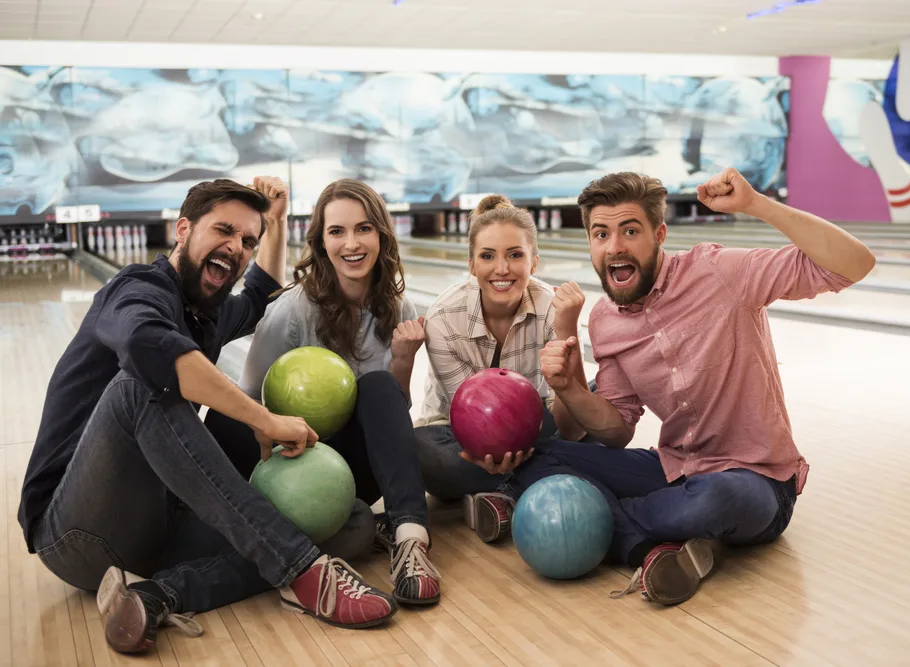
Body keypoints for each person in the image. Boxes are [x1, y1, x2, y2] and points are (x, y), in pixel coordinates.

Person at [17, 177, 398, 656]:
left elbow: (261, 294)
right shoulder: (137, 288)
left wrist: (275, 225)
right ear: (183, 229)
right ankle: (301, 572)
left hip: (158, 526)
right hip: (75, 530)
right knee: (141, 386)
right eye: (223, 230)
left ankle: (157, 593)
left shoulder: (207, 312)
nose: (235, 247)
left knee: (351, 520)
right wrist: (265, 419)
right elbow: (147, 346)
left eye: (247, 241)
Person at [486, 168, 877, 606]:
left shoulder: (721, 271)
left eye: (630, 231)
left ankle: (610, 525)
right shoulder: (605, 320)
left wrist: (755, 204)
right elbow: (617, 431)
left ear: (659, 234)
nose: (614, 246)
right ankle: (654, 548)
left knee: (711, 500)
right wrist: (570, 388)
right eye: (601, 234)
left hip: (754, 480)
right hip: (675, 469)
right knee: (538, 454)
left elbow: (854, 263)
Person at [205, 178, 441, 606]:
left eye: (364, 228)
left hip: (349, 467)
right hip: (288, 462)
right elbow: (248, 402)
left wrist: (404, 360)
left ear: (381, 235)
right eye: (337, 231)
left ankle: (410, 537)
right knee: (221, 418)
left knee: (376, 385)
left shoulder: (398, 307)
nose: (352, 243)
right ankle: (316, 533)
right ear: (321, 241)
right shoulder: (293, 310)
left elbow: (388, 416)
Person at [415, 194, 588, 543]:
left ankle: (500, 494)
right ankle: (539, 480)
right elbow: (476, 422)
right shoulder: (443, 318)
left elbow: (571, 421)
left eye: (515, 255)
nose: (502, 269)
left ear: (534, 262)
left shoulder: (553, 311)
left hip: (534, 426)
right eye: (488, 256)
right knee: (419, 451)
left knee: (598, 401)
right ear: (472, 264)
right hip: (458, 438)